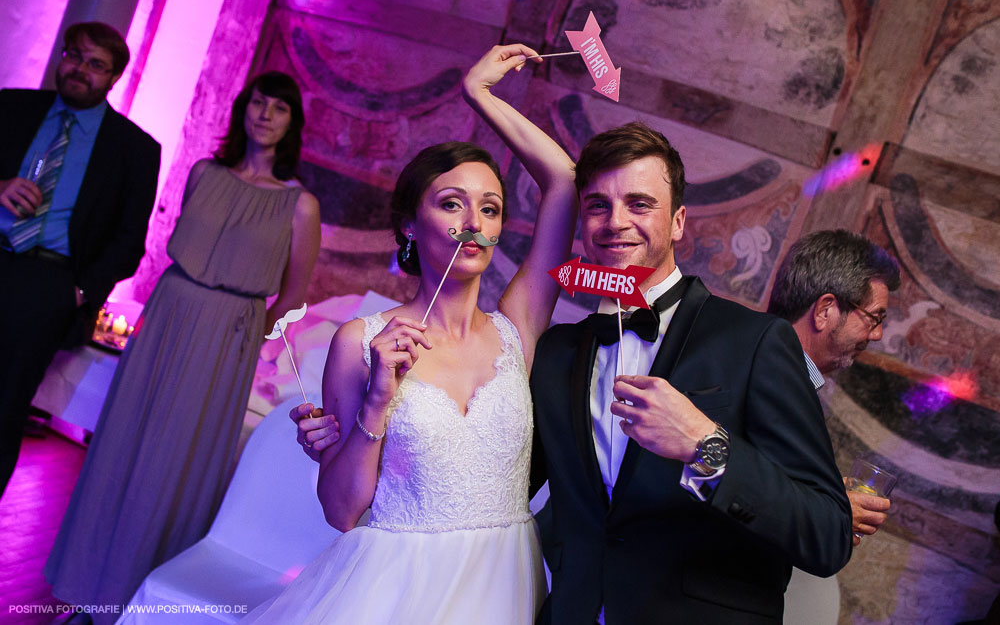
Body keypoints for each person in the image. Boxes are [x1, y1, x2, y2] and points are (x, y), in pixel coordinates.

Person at [246, 45, 577, 624]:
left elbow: (565, 182)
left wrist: (480, 94)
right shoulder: (360, 341)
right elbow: (342, 511)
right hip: (395, 592)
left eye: (491, 209)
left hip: (504, 585)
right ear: (408, 224)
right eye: (453, 204)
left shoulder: (517, 327)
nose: (474, 223)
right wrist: (377, 398)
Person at [526, 122, 853, 623]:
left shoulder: (755, 342)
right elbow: (504, 485)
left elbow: (827, 535)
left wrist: (706, 445)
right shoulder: (558, 352)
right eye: (598, 205)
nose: (615, 222)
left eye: (639, 204)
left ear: (678, 222)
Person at [44, 70, 321, 623]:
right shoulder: (204, 172)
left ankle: (142, 599)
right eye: (258, 103)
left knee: (177, 460)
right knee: (123, 444)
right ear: (244, 109)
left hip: (229, 330)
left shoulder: (299, 205)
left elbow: (292, 294)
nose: (265, 114)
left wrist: (244, 331)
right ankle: (85, 594)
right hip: (169, 311)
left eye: (279, 108)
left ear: (292, 124)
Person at [0, 21, 160, 500]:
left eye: (96, 65)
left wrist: (80, 292)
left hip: (48, 284)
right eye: (74, 55)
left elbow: (130, 241)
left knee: (6, 407)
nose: (79, 69)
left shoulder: (134, 149)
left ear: (113, 78)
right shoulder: (9, 106)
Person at [767, 229, 901, 624]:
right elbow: (734, 481)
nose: (876, 335)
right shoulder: (769, 376)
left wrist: (826, 491)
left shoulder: (792, 379)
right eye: (874, 318)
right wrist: (830, 508)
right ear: (826, 309)